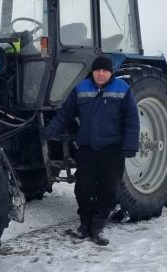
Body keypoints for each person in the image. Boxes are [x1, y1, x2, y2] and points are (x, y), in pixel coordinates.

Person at [45, 55, 140, 245]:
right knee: (83, 187)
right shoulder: (81, 88)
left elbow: (132, 120)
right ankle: (84, 225)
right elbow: (66, 113)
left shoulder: (122, 90)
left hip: (112, 149)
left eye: (105, 70)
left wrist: (130, 145)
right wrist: (50, 131)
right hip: (87, 148)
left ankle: (98, 226)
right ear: (93, 72)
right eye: (98, 70)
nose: (101, 74)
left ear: (110, 73)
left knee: (109, 189)